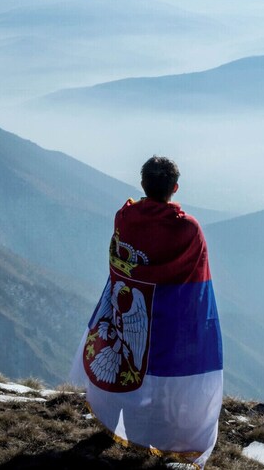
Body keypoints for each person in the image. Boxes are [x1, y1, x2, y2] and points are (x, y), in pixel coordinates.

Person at [70, 156, 223, 468]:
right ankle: (160, 438)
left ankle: (117, 425)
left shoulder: (125, 217)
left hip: (126, 310)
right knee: (159, 376)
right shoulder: (188, 229)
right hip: (169, 319)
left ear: (142, 183)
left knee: (125, 364)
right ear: (175, 188)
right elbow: (196, 277)